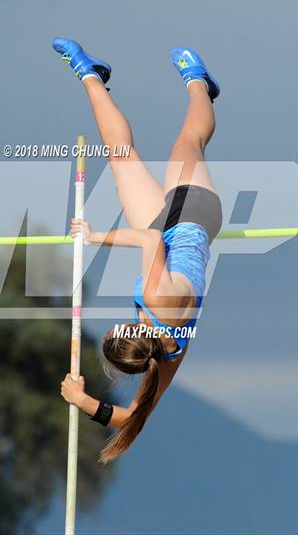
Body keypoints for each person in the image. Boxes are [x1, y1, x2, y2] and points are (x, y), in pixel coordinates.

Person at [55, 38, 222, 464]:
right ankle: (199, 83)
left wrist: (86, 401)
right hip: (191, 217)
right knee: (186, 144)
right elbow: (149, 242)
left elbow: (132, 420)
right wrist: (95, 237)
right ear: (127, 334)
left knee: (120, 157)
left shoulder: (167, 355)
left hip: (162, 232)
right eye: (113, 331)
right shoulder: (153, 304)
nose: (112, 326)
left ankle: (89, 73)